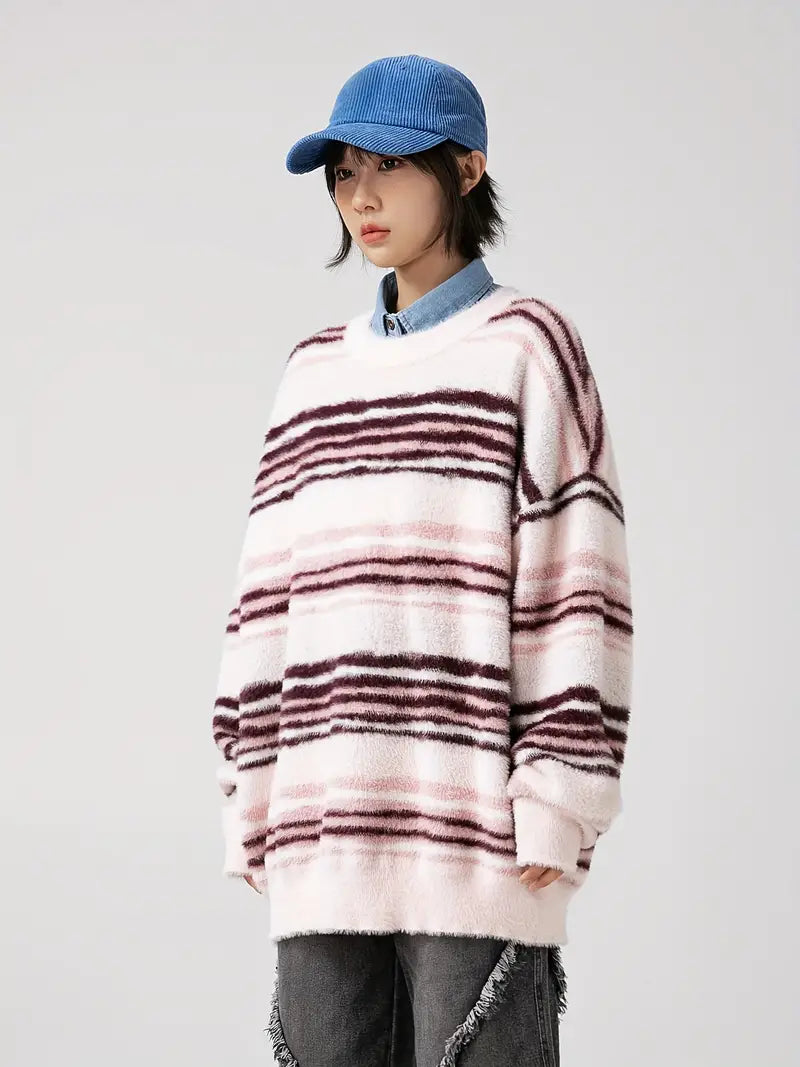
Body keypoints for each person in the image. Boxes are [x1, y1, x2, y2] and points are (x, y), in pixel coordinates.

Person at [210, 54, 634, 1066]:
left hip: (476, 840)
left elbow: (577, 586)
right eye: (344, 173)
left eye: (389, 167)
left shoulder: (528, 347)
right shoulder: (313, 372)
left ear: (467, 168)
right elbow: (264, 604)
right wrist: (250, 793)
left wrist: (557, 797)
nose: (361, 198)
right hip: (323, 834)